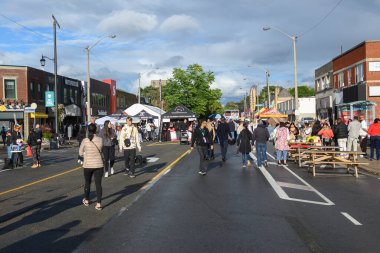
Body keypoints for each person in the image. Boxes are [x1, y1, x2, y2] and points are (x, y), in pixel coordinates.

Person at [79, 123, 104, 211]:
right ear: (95, 130)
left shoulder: (85, 140)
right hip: (98, 164)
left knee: (87, 182)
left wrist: (86, 153)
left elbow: (80, 153)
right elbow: (101, 150)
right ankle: (99, 203)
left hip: (88, 165)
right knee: (98, 184)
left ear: (88, 130)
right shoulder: (100, 140)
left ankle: (86, 199)